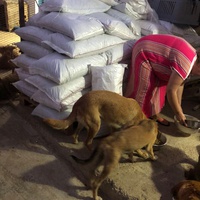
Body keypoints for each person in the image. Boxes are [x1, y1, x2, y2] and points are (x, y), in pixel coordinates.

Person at [124, 34, 200, 126]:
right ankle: (136, 122)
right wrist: (178, 113)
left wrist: (179, 109)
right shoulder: (185, 65)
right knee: (144, 90)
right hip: (144, 51)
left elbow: (180, 84)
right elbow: (171, 91)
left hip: (157, 56)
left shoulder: (194, 58)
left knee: (159, 88)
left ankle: (153, 115)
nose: (198, 75)